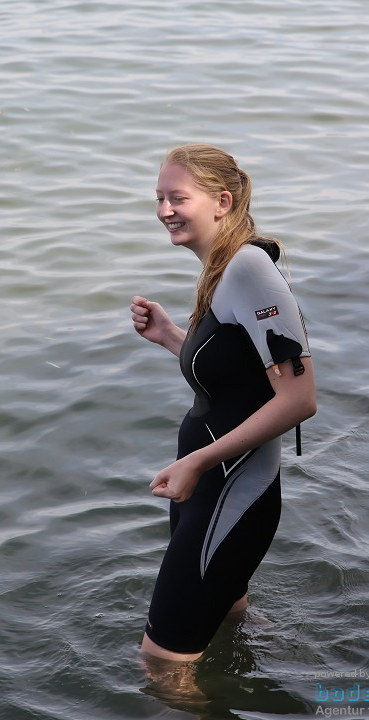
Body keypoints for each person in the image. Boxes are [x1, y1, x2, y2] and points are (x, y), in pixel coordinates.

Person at [130, 144, 316, 662]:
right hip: (209, 490)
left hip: (231, 492)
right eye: (159, 198)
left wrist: (197, 460)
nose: (165, 210)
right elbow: (237, 382)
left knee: (163, 664)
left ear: (222, 202)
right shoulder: (223, 267)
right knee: (225, 629)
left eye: (178, 197)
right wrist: (173, 338)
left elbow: (299, 399)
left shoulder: (249, 267)